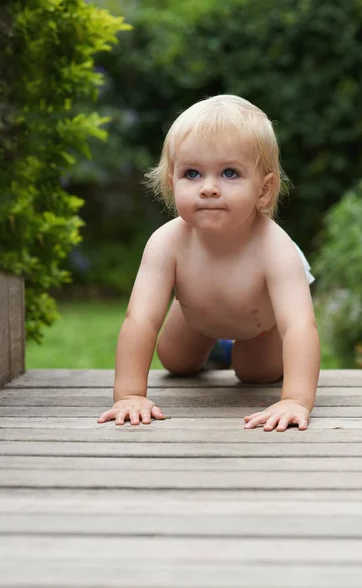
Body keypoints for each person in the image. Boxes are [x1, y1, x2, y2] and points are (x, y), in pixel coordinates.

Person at [98, 94, 320, 432]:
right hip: (196, 316)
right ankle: (212, 346)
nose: (209, 188)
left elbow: (299, 327)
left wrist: (295, 399)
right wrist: (129, 394)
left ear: (263, 190)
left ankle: (229, 350)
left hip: (259, 326)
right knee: (176, 361)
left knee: (254, 375)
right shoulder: (167, 242)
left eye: (230, 173)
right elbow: (140, 319)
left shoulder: (275, 248)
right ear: (172, 185)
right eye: (192, 173)